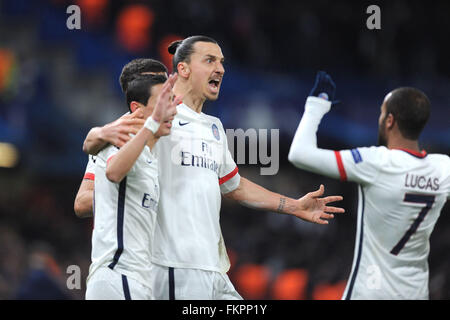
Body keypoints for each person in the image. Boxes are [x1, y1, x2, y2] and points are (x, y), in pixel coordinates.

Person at [83, 36, 345, 300]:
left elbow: (235, 186)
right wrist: (96, 134)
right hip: (174, 267)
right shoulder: (156, 116)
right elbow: (98, 150)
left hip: (214, 269)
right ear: (183, 69)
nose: (220, 68)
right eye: (209, 60)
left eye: (221, 62)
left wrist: (293, 206)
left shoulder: (213, 127)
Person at [288, 71, 450, 299]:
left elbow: (299, 154)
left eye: (381, 113)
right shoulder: (443, 168)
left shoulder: (375, 162)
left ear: (390, 121)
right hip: (415, 293)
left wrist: (317, 105)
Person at [85, 73, 180, 300]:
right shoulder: (120, 138)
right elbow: (113, 172)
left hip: (134, 281)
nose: (171, 111)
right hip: (119, 276)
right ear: (137, 109)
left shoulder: (149, 155)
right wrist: (151, 123)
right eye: (162, 103)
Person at [74, 58, 167, 218]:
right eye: (155, 83)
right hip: (131, 239)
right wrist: (136, 193)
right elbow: (81, 203)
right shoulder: (116, 135)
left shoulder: (180, 127)